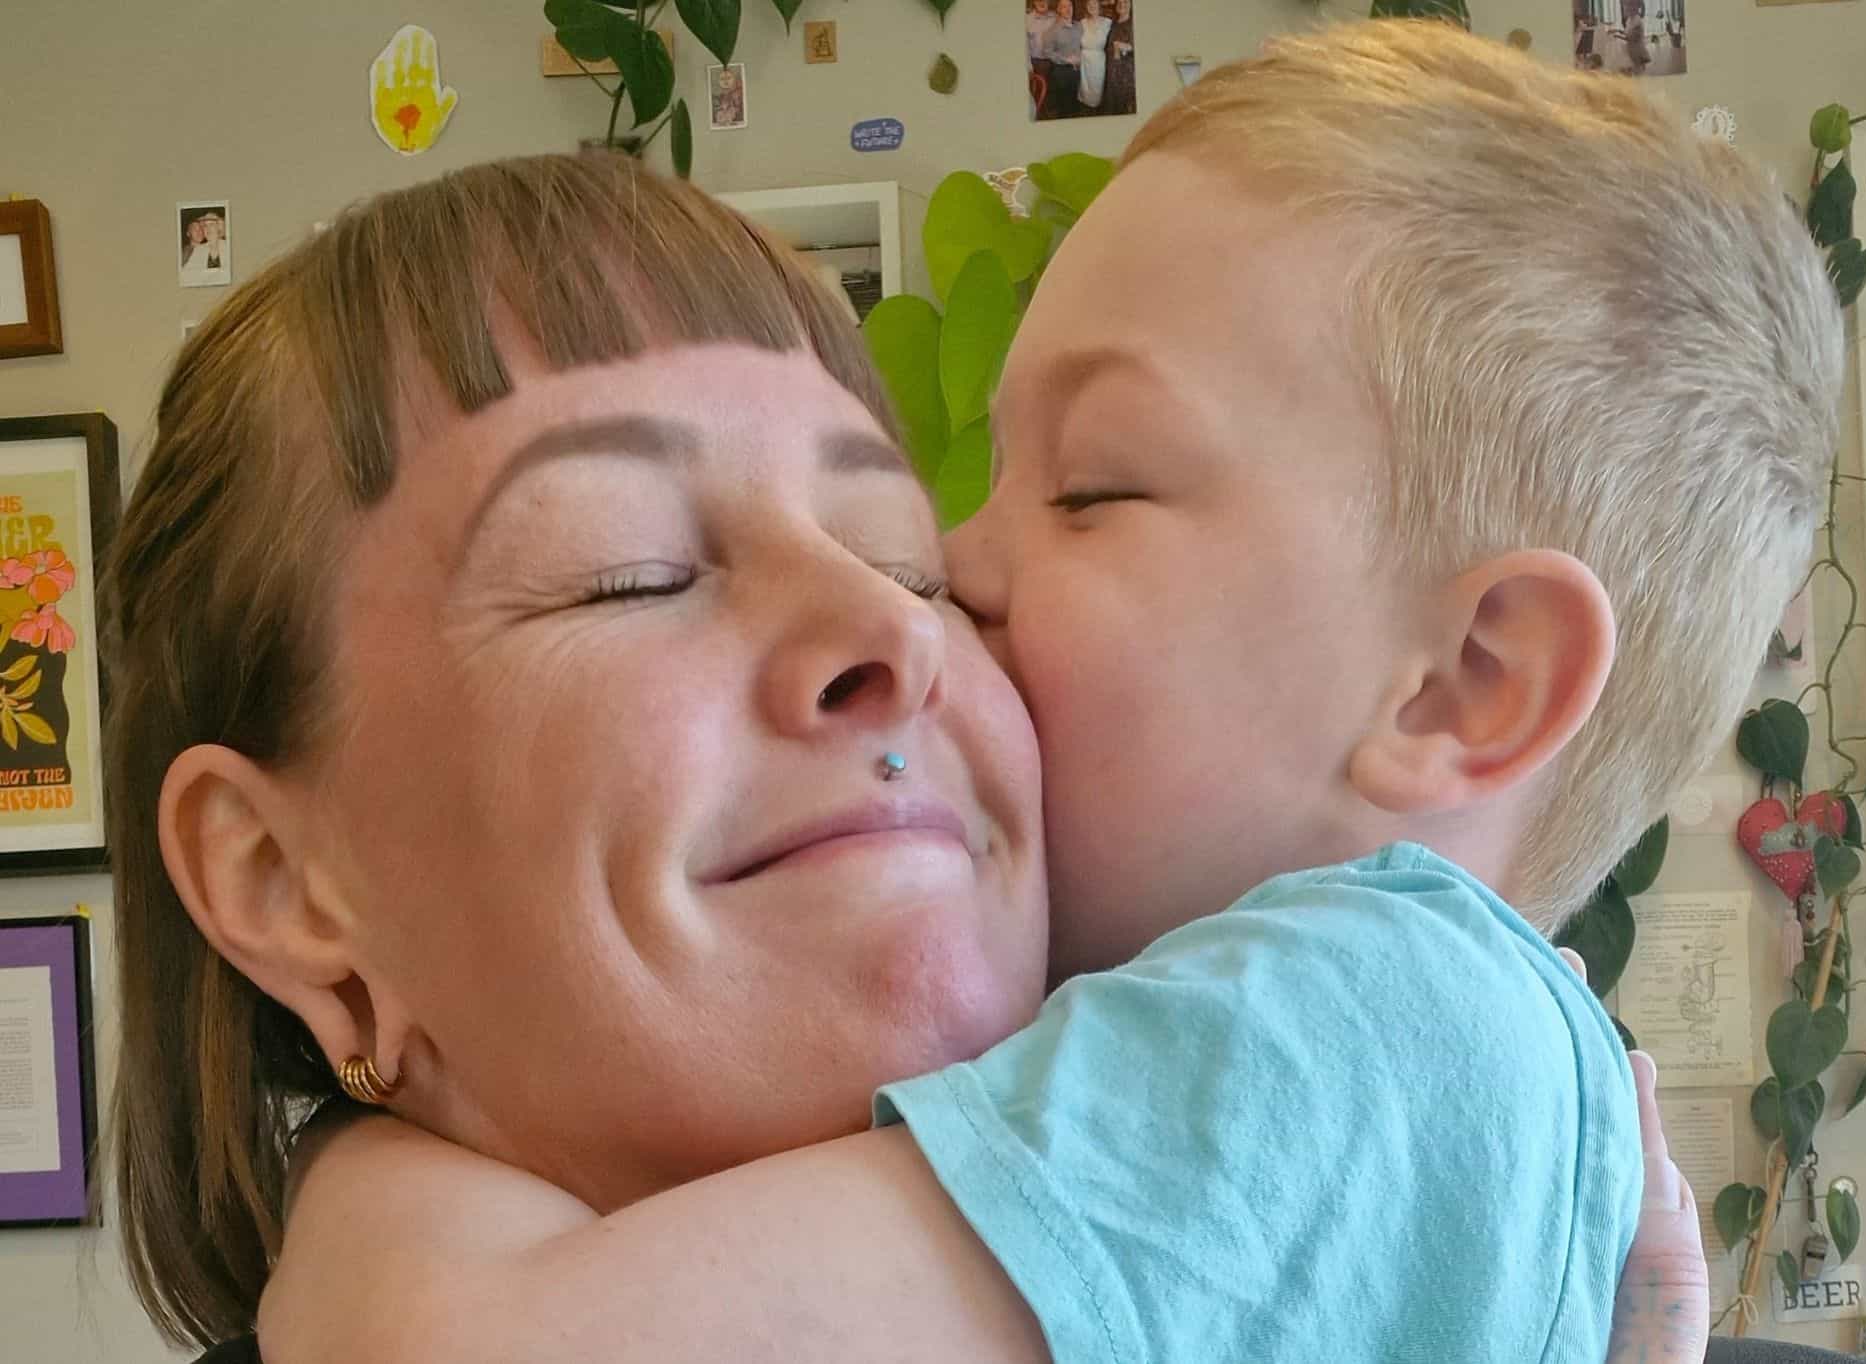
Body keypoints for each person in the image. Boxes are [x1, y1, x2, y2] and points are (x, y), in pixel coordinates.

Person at [110, 32, 1736, 1364]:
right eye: (626, 569)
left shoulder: (1382, 1022)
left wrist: (367, 1201)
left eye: (892, 549)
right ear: (280, 880)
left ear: (1470, 677)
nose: (919, 613)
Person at [1042, 0, 1082, 119]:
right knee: (1064, 107)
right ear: (1058, 10)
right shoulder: (1052, 31)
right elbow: (1047, 52)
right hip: (1061, 72)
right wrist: (1066, 59)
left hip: (1078, 70)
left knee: (1075, 101)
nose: (1068, 9)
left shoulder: (1079, 26)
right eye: (1064, 7)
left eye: (1070, 5)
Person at [1075, 0, 1112, 111]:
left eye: (1094, 3)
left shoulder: (1108, 22)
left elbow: (1112, 42)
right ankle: (1084, 109)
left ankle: (1096, 110)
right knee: (1084, 88)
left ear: (1099, 5)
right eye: (1089, 4)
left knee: (1097, 88)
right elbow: (1075, 42)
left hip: (1099, 60)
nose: (1092, 6)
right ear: (1086, 7)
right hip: (1084, 60)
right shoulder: (1081, 23)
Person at [1102, 0, 1136, 116]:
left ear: (1131, 5)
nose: (1122, 5)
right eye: (1119, 3)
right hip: (1112, 67)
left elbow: (1137, 47)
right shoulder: (1114, 23)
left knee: (1123, 101)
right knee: (1112, 98)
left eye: (1126, 2)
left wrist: (1125, 47)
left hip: (1125, 70)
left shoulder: (1132, 23)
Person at [1026, 0, 1058, 115]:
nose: (1041, 2)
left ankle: (1050, 114)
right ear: (1034, 2)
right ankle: (1040, 114)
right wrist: (1029, 66)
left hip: (1054, 61)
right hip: (1036, 62)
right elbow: (1024, 46)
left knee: (1053, 91)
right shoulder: (1027, 19)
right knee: (1038, 92)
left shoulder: (1055, 17)